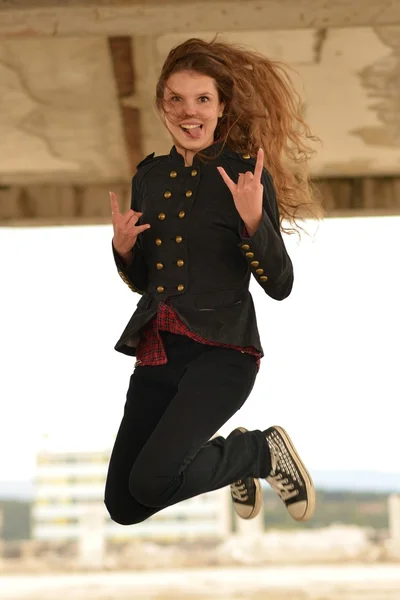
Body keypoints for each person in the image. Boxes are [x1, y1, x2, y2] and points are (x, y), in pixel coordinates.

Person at [104, 37, 320, 527]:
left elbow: (281, 284)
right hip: (158, 352)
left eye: (202, 99)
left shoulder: (247, 174)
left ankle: (257, 452)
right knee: (125, 504)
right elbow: (145, 282)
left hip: (223, 354)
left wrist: (253, 224)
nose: (189, 111)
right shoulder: (149, 178)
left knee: (151, 481)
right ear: (162, 106)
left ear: (221, 107)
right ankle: (232, 464)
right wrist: (123, 250)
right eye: (176, 99)